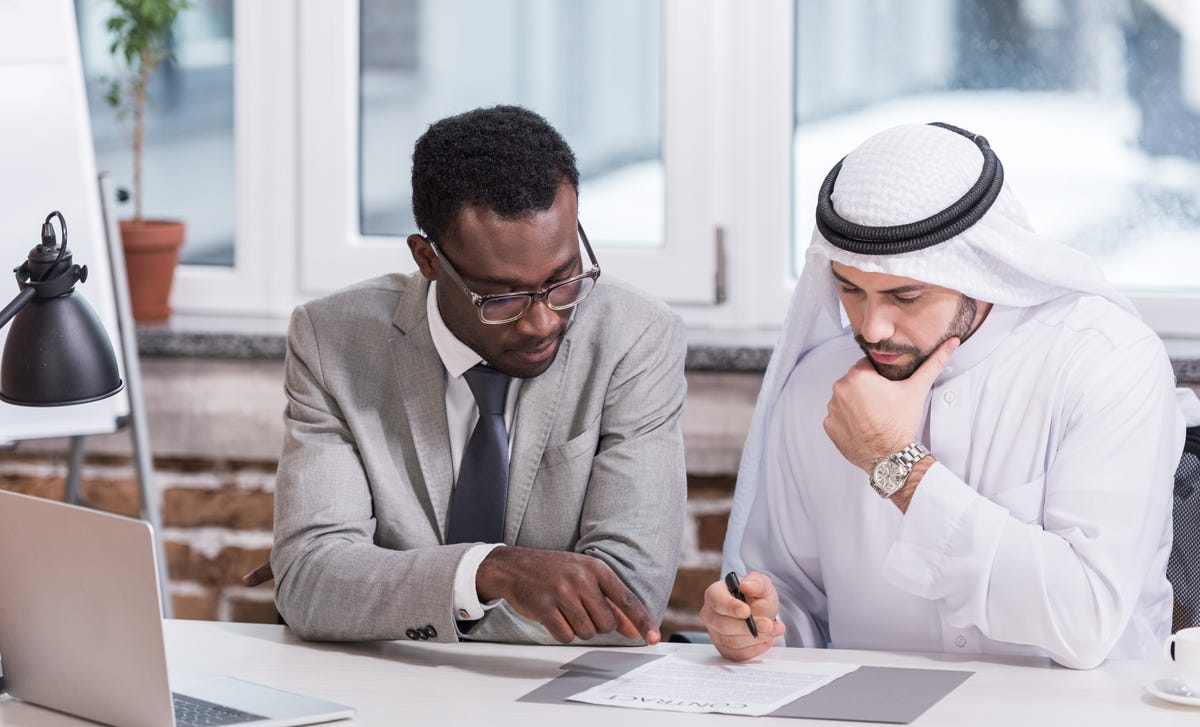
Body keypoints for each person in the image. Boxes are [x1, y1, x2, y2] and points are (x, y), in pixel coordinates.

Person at [701, 121, 1197, 669]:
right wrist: (754, 626)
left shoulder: (1105, 361)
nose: (871, 328)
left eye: (905, 295)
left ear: (980, 268)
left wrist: (896, 465)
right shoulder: (820, 385)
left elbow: (1087, 622)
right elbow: (791, 600)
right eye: (850, 290)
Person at [269, 105, 687, 646]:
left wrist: (376, 595)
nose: (543, 321)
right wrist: (490, 572)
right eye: (502, 296)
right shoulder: (333, 343)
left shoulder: (636, 339)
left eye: (563, 280)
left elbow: (625, 600)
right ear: (427, 259)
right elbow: (309, 579)